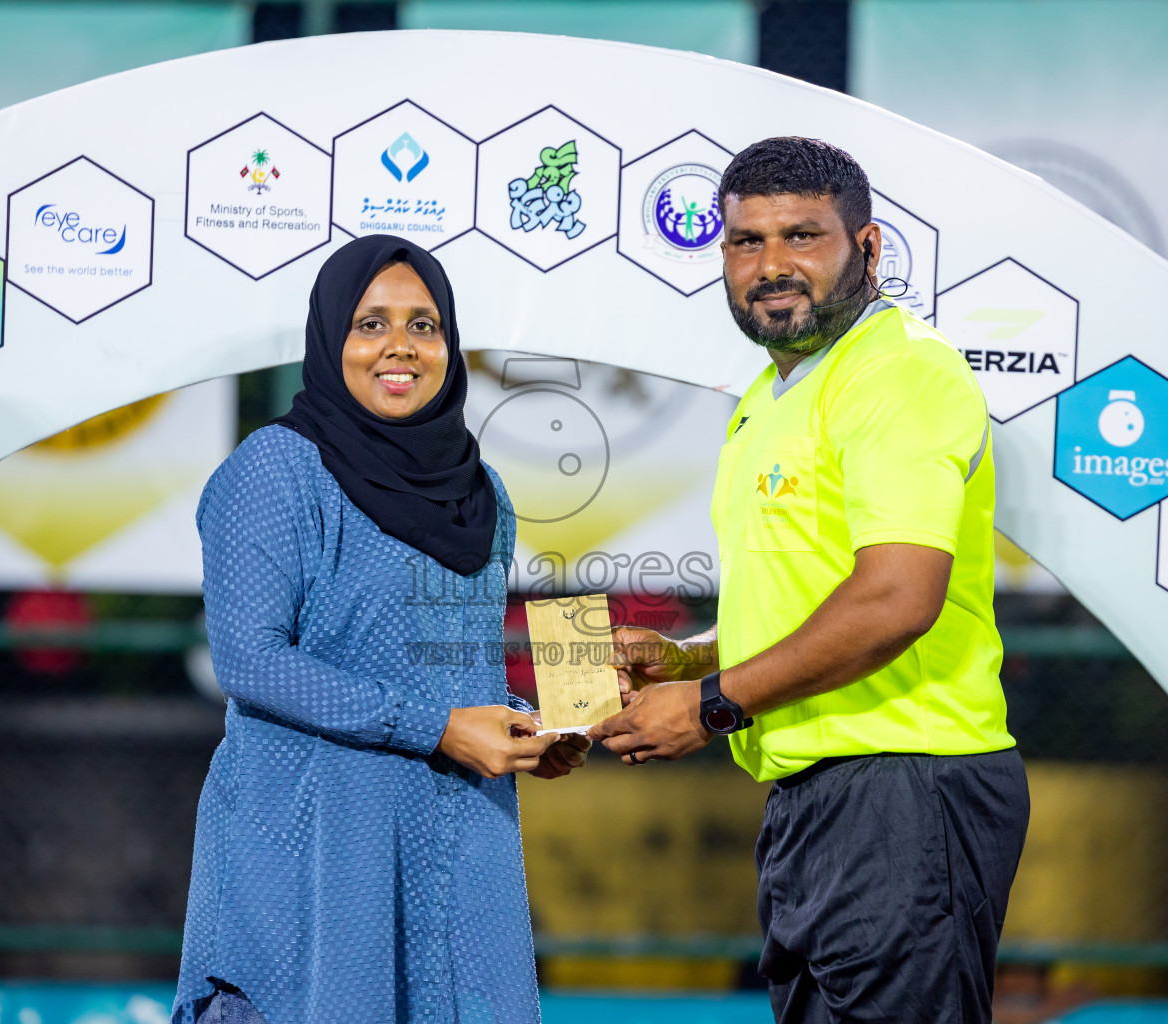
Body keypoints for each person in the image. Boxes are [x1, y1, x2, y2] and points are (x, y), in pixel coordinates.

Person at [590, 138, 1030, 1023]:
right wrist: (690, 660)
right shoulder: (772, 394)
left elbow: (896, 599)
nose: (771, 266)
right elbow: (813, 599)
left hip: (907, 788)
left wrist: (711, 704)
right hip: (818, 795)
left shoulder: (898, 372)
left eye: (802, 236)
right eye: (746, 241)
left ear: (868, 248)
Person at [174, 234, 587, 1024]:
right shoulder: (275, 469)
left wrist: (526, 727)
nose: (400, 346)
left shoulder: (482, 494)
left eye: (423, 326)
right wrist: (441, 728)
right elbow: (251, 660)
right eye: (370, 324)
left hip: (451, 848)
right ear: (332, 338)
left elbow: (458, 676)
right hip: (313, 854)